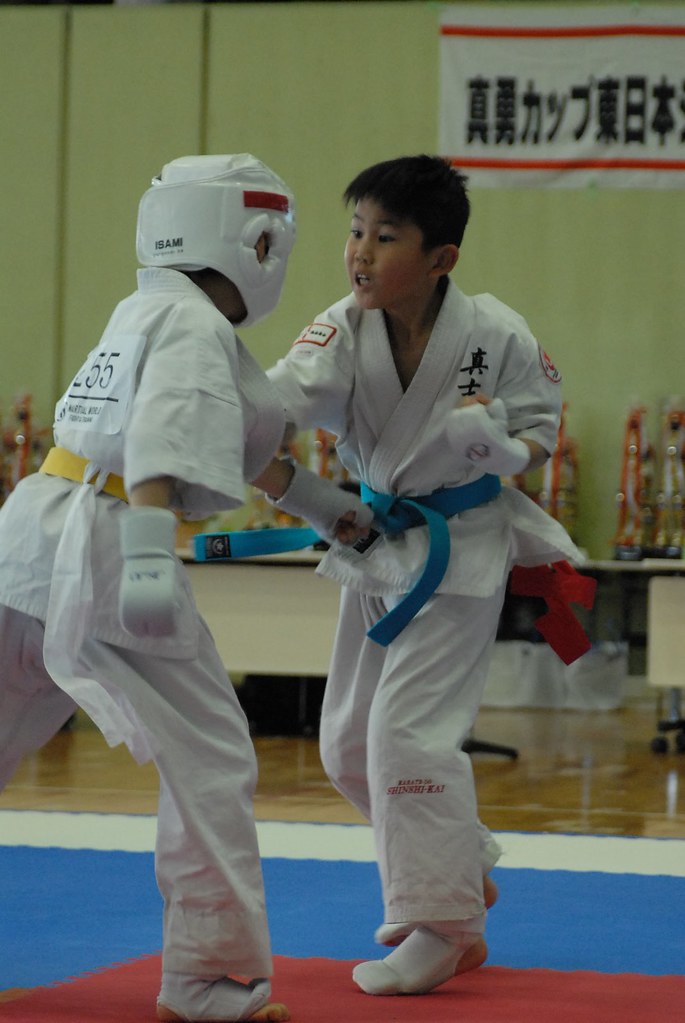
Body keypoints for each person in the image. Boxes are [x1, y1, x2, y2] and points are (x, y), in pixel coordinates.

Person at [0, 154, 371, 1022]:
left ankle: (209, 973)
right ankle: (208, 979)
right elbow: (163, 444)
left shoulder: (147, 311)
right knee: (209, 757)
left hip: (25, 539)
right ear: (259, 242)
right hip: (105, 547)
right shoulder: (196, 328)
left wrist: (330, 510)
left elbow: (243, 449)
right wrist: (146, 559)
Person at [266, 154, 583, 997]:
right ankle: (458, 856)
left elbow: (540, 434)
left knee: (406, 735)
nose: (360, 252)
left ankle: (443, 927)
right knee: (345, 745)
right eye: (355, 231)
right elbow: (279, 402)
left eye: (385, 237)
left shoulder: (496, 333)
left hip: (461, 547)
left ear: (441, 257)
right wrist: (222, 415)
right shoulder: (341, 328)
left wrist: (503, 446)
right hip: (374, 541)